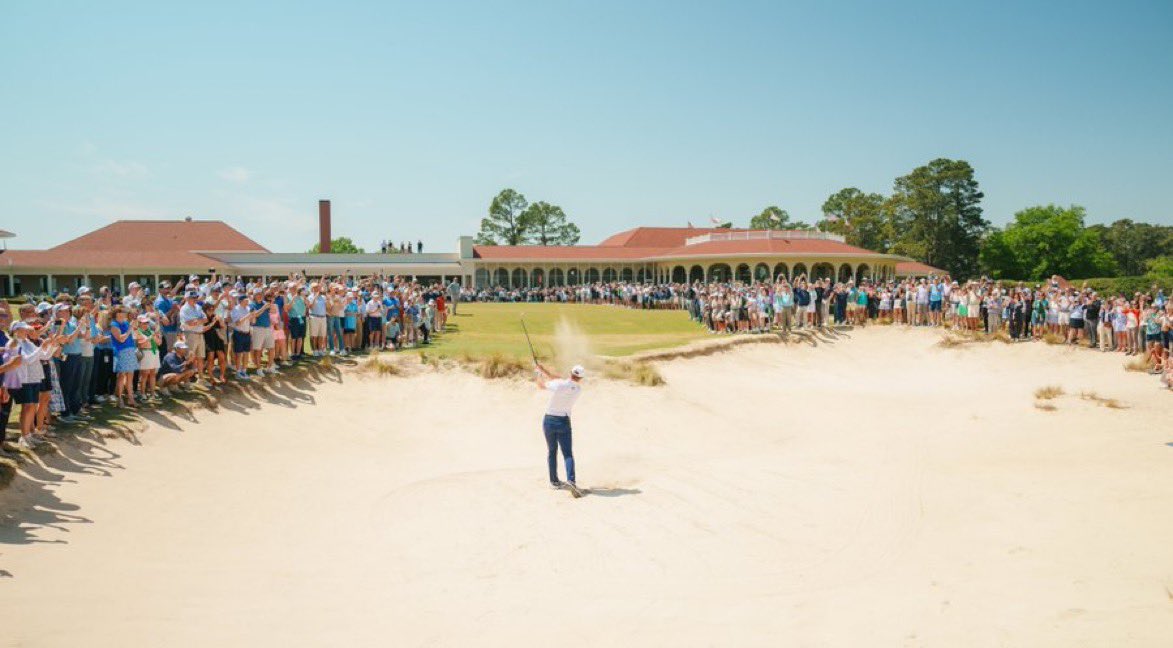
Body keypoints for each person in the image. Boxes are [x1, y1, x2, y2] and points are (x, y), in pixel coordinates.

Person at [533, 361, 585, 491]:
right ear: (581, 378)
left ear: (570, 373)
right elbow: (557, 380)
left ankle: (554, 482)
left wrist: (538, 373)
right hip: (564, 422)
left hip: (549, 420)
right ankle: (571, 480)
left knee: (552, 451)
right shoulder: (578, 389)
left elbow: (540, 385)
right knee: (567, 453)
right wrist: (543, 369)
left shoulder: (559, 384)